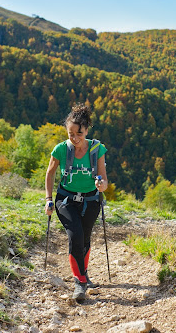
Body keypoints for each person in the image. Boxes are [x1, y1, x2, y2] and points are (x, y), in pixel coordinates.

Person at [45, 104, 108, 302]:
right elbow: (50, 173)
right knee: (76, 235)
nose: (74, 138)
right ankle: (79, 282)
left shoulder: (97, 149)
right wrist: (48, 199)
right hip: (66, 200)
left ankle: (84, 274)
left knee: (86, 238)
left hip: (91, 200)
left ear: (87, 130)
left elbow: (104, 180)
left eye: (79, 133)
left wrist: (101, 184)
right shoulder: (61, 149)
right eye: (71, 133)